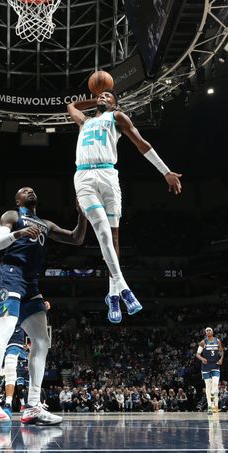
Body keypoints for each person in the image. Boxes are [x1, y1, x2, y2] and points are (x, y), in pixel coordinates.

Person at [67, 90, 182, 322]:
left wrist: (165, 171)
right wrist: (96, 99)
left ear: (116, 103)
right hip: (84, 177)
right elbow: (72, 105)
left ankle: (112, 295)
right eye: (102, 95)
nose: (104, 97)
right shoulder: (85, 121)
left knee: (113, 236)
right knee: (101, 231)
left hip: (108, 174)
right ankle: (124, 288)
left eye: (109, 96)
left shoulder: (117, 117)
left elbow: (142, 144)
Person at [0, 187, 87, 424]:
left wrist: (82, 214)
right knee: (5, 329)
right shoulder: (12, 216)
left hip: (31, 282)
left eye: (32, 189)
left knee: (41, 341)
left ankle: (33, 406)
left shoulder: (46, 223)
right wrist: (19, 233)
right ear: (18, 200)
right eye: (23, 190)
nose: (29, 190)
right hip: (10, 274)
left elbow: (77, 238)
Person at [196, 327, 224, 413]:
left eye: (210, 330)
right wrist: (202, 359)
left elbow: (221, 352)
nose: (208, 331)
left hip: (215, 365)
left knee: (215, 383)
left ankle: (213, 399)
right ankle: (209, 406)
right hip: (206, 366)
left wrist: (221, 359)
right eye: (207, 331)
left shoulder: (218, 341)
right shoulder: (203, 342)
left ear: (212, 332)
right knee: (208, 386)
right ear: (205, 333)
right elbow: (197, 354)